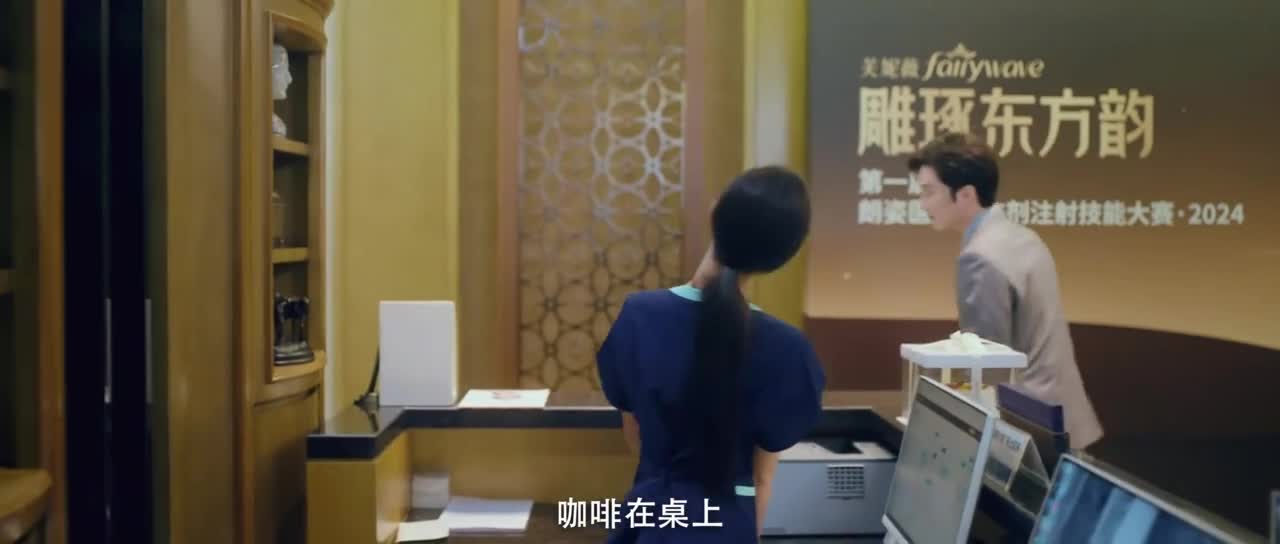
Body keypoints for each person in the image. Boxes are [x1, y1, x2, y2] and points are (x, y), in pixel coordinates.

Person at [595, 166, 826, 542]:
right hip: (729, 525)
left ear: (715, 211)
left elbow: (635, 434)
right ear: (782, 256)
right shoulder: (787, 349)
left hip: (652, 519)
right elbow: (762, 478)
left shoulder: (640, 317)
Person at [908, 132, 1104, 449]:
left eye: (929, 192)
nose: (922, 203)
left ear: (966, 194)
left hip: (1028, 429)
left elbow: (985, 368)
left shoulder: (980, 257)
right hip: (1063, 417)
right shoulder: (1022, 237)